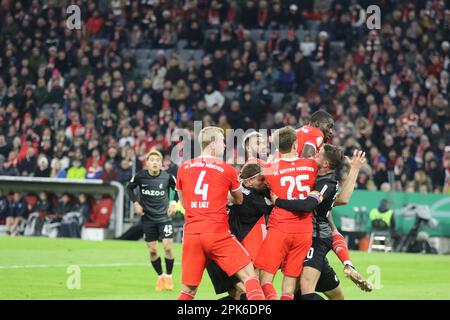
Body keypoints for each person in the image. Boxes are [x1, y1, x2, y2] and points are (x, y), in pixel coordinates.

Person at [176, 126, 265, 300]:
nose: (224, 146)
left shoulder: (183, 167)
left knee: (188, 291)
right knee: (250, 277)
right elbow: (239, 199)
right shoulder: (227, 169)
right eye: (223, 142)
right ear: (213, 143)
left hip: (192, 234)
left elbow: (183, 202)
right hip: (217, 233)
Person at [273, 146, 371, 300]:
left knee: (304, 288)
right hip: (306, 236)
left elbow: (309, 205)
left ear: (325, 164)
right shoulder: (314, 176)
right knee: (335, 296)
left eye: (318, 154)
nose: (314, 155)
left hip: (315, 239)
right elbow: (342, 200)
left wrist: (278, 201)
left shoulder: (326, 183)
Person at [254, 126, 317, 300]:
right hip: (304, 229)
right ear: (296, 143)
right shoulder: (311, 165)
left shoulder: (269, 169)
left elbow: (260, 185)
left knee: (265, 278)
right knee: (290, 280)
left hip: (280, 227)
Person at [206, 163, 273, 300]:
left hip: (216, 250)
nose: (265, 182)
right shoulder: (254, 198)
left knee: (239, 295)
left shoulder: (237, 190)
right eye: (261, 179)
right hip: (226, 253)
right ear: (249, 181)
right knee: (250, 293)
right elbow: (276, 204)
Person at [126, 150, 177, 292]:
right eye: (152, 160)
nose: (155, 162)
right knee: (153, 251)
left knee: (167, 247)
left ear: (161, 164)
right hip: (147, 219)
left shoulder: (168, 177)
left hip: (164, 218)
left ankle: (169, 276)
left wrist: (173, 202)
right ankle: (160, 277)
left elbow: (176, 189)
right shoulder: (140, 176)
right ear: (147, 163)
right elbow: (129, 189)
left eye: (157, 160)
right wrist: (135, 203)